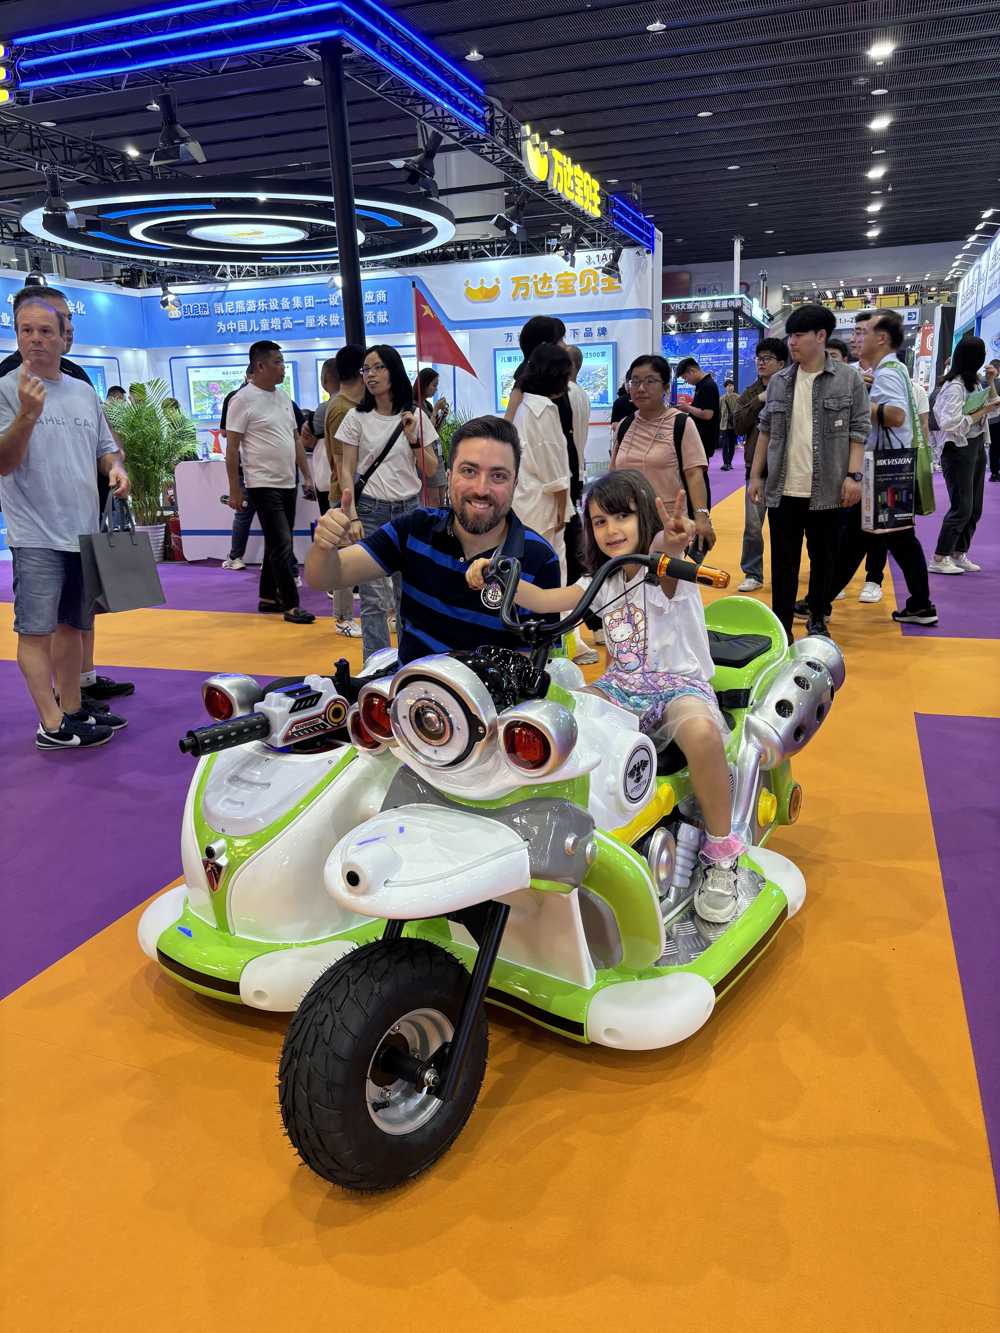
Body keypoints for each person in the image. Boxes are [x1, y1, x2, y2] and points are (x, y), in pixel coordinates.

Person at [466, 470, 751, 926]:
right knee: (557, 717)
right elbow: (543, 600)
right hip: (621, 684)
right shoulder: (601, 579)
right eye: (599, 522)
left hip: (678, 682)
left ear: (644, 517)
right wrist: (496, 573)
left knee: (699, 731)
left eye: (622, 516)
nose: (611, 530)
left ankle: (722, 854)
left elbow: (670, 565)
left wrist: (674, 546)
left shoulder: (666, 572)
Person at [305, 415, 561, 663]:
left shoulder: (538, 558)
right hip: (410, 695)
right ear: (449, 477)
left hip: (492, 703)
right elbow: (325, 577)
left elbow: (536, 658)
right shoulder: (415, 529)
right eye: (469, 471)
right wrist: (324, 547)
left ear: (515, 483)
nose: (481, 489)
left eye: (498, 476)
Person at [0, 296, 131, 750]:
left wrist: (115, 468)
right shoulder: (6, 387)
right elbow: (3, 463)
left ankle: (73, 709)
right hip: (35, 533)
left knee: (74, 627)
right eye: (25, 330)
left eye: (45, 331)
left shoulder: (81, 389)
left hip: (82, 531)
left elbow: (103, 448)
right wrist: (26, 415)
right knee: (35, 630)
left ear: (63, 336)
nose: (35, 339)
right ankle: (51, 724)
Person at [749, 304, 869, 640]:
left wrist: (854, 476)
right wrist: (755, 476)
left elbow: (859, 431)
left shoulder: (848, 380)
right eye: (790, 335)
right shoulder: (780, 383)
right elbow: (766, 431)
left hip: (829, 490)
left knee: (824, 559)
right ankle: (781, 627)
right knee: (783, 563)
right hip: (783, 489)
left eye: (799, 335)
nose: (792, 342)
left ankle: (818, 616)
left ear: (821, 336)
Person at [825, 313, 938, 625]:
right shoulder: (892, 369)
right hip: (892, 467)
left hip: (885, 469)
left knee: (866, 539)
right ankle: (920, 604)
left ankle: (818, 602)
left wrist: (857, 402)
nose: (856, 339)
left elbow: (897, 416)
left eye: (863, 332)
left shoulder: (887, 372)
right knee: (886, 539)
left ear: (882, 338)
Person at [336, 344, 438, 659]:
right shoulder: (357, 417)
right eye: (366, 369)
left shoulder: (415, 415)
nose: (371, 375)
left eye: (378, 367)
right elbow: (346, 469)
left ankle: (409, 662)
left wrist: (413, 436)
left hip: (409, 511)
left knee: (408, 595)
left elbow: (431, 468)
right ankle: (376, 667)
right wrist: (351, 515)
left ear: (393, 370)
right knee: (372, 598)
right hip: (370, 510)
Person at [225, 340, 315, 624]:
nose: (282, 368)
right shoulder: (241, 399)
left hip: (288, 480)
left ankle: (267, 597)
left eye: (282, 362)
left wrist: (307, 476)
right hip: (261, 482)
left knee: (277, 541)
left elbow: (295, 440)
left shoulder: (284, 398)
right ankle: (291, 604)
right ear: (259, 366)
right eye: (276, 362)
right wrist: (234, 488)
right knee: (282, 542)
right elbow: (232, 448)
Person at [611, 354, 715, 553]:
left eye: (650, 381)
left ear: (666, 388)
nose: (641, 388)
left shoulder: (681, 424)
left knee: (665, 581)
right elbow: (614, 472)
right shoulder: (625, 425)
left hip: (668, 526)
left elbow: (694, 475)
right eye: (636, 381)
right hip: (627, 524)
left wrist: (702, 517)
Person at [929, 336, 998, 575]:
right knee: (962, 506)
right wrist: (980, 413)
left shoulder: (974, 383)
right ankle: (940, 556)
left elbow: (995, 404)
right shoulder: (955, 386)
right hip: (957, 449)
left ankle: (959, 553)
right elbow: (949, 423)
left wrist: (991, 382)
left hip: (976, 445)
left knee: (975, 507)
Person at [511, 344, 573, 579]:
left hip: (526, 501)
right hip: (544, 505)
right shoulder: (544, 409)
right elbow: (553, 466)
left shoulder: (524, 404)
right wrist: (560, 508)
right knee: (551, 567)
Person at [733, 337, 788, 592]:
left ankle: (789, 573)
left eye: (767, 359)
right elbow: (738, 424)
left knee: (788, 529)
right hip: (756, 470)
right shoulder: (751, 392)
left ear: (781, 362)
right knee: (753, 527)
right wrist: (759, 400)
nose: (761, 363)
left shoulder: (791, 388)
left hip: (788, 468)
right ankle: (752, 572)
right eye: (759, 358)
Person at [320, 346, 365, 637]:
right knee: (346, 558)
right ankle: (343, 617)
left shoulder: (352, 406)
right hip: (346, 494)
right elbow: (340, 462)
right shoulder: (340, 408)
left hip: (358, 493)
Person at [675, 356, 721, 463]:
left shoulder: (708, 386)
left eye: (685, 378)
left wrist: (688, 407)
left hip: (704, 437)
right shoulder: (702, 385)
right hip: (700, 436)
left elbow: (707, 414)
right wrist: (689, 408)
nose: (687, 381)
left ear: (692, 371)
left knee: (700, 471)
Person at [414, 366, 449, 507]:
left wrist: (442, 417)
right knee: (432, 501)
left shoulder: (426, 405)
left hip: (437, 455)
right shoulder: (415, 407)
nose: (435, 389)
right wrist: (435, 411)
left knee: (441, 500)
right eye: (433, 385)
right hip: (428, 457)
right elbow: (424, 432)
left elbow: (434, 432)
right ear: (424, 384)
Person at [719, 377, 740, 470]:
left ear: (733, 387)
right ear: (725, 388)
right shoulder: (722, 399)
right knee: (724, 445)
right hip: (724, 425)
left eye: (731, 385)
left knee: (732, 445)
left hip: (734, 425)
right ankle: (725, 463)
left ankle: (729, 462)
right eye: (728, 386)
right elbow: (719, 412)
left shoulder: (738, 397)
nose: (730, 387)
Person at [988, 359, 1000, 483]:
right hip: (997, 419)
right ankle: (996, 472)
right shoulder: (998, 383)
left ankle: (994, 472)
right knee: (996, 447)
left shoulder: (981, 382)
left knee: (993, 447)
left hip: (988, 420)